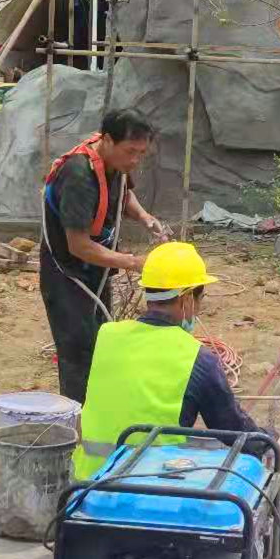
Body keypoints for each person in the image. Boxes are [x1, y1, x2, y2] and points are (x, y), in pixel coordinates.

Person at [74, 241, 269, 480]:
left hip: (85, 488)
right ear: (187, 298)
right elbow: (234, 430)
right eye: (200, 298)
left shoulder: (107, 335)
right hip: (148, 494)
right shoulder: (197, 359)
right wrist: (265, 442)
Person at [40, 107, 167, 404]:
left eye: (141, 154)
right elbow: (79, 246)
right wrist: (134, 263)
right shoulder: (79, 176)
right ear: (107, 140)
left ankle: (97, 409)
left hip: (95, 271)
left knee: (99, 342)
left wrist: (145, 217)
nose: (135, 161)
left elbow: (123, 194)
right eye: (130, 152)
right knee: (78, 351)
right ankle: (77, 422)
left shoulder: (115, 166)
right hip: (67, 275)